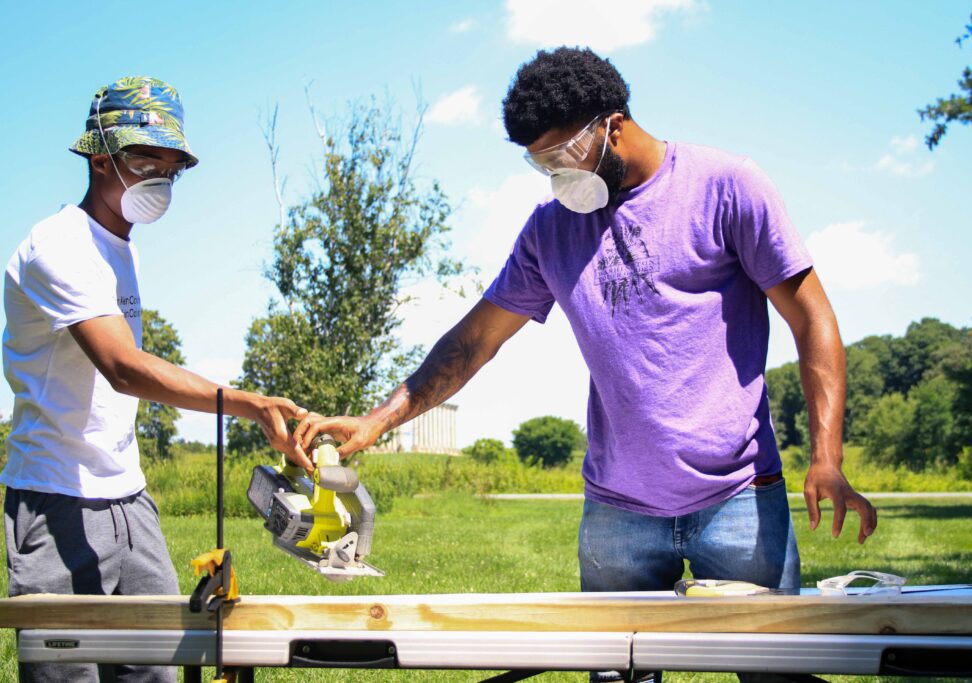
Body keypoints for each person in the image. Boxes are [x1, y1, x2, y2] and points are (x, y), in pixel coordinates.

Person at [292, 48, 878, 682]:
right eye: (539, 162)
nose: (553, 173)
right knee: (614, 673)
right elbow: (475, 340)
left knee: (776, 674)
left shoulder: (726, 185)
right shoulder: (550, 230)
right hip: (617, 512)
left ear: (613, 125)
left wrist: (826, 455)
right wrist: (380, 420)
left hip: (738, 498)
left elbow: (812, 317)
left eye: (563, 154)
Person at [2, 76, 311, 683]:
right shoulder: (57, 244)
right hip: (56, 498)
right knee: (67, 673)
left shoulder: (123, 247)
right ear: (99, 154)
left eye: (171, 167)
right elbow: (122, 369)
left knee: (156, 670)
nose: (159, 179)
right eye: (146, 159)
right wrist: (246, 403)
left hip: (130, 498)